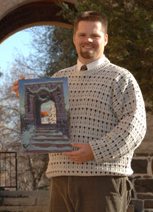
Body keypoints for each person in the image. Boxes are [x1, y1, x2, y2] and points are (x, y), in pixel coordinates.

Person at [13, 11, 146, 212]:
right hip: (60, 180)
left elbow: (134, 128)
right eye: (82, 35)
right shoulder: (58, 78)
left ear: (106, 39)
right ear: (75, 38)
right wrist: (28, 99)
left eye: (95, 35)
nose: (88, 40)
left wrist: (95, 150)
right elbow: (47, 126)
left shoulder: (121, 78)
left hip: (103, 181)